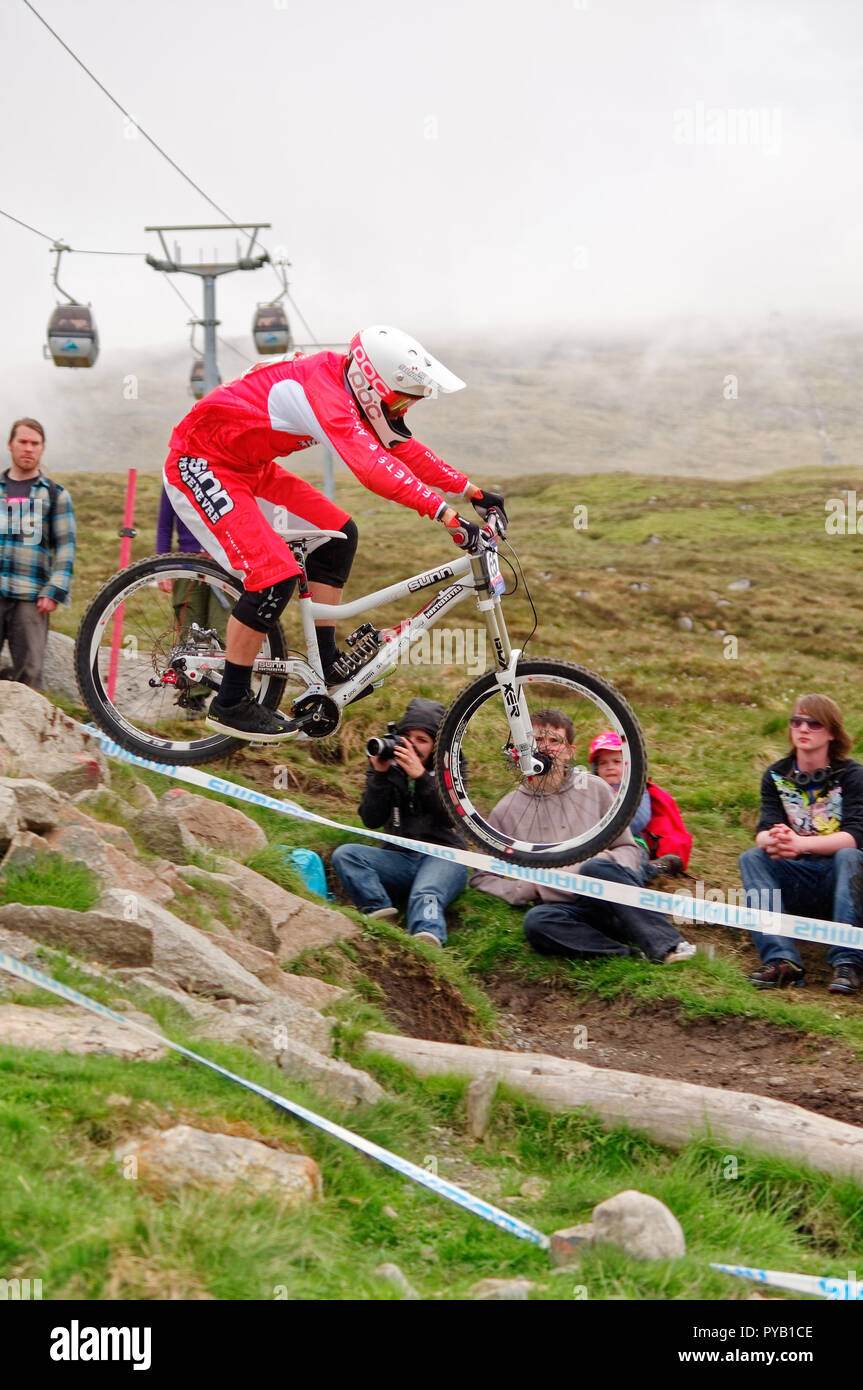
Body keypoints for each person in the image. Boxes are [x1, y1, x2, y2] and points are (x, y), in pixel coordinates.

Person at [161, 325, 507, 743]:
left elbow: (401, 448)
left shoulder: (354, 388)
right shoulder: (325, 392)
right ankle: (230, 701)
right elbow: (371, 468)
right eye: (399, 399)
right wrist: (446, 515)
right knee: (274, 575)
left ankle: (325, 664)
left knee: (339, 534)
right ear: (369, 381)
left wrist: (472, 492)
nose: (401, 409)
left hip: (251, 467)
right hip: (201, 461)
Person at [471, 709, 695, 963]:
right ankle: (631, 957)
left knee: (597, 866)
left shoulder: (595, 788)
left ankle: (670, 946)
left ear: (569, 751)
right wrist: (526, 888)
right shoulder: (506, 809)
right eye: (536, 740)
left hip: (611, 898)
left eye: (554, 741)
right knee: (536, 922)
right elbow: (482, 876)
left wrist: (605, 868)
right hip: (565, 909)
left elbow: (627, 848)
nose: (544, 748)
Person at [739, 693, 863, 994]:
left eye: (814, 723)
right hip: (799, 880)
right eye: (797, 721)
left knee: (849, 854)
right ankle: (782, 960)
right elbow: (763, 831)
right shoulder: (775, 775)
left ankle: (847, 962)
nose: (803, 729)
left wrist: (800, 844)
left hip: (846, 882)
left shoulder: (853, 775)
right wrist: (778, 839)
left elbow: (856, 836)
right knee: (752, 857)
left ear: (832, 733)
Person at [331, 698, 467, 947]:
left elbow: (452, 818)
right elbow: (371, 819)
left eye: (422, 740)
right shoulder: (387, 762)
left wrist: (422, 777)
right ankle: (381, 915)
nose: (412, 746)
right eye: (407, 737)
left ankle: (427, 939)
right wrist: (380, 776)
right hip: (399, 857)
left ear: (437, 746)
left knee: (426, 893)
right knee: (346, 855)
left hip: (445, 856)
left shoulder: (452, 767)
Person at [0, 418, 76, 689]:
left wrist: (54, 589)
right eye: (23, 442)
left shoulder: (55, 495)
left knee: (29, 676)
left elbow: (66, 548)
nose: (28, 449)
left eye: (35, 443)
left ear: (42, 448)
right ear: (11, 445)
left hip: (32, 599)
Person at [155, 486, 229, 718]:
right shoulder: (173, 479)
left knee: (222, 633)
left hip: (224, 565)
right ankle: (192, 697)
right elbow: (165, 525)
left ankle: (227, 697)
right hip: (188, 566)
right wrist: (163, 569)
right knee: (190, 632)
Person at [589, 731, 690, 881]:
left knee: (633, 863)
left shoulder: (635, 789)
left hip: (632, 840)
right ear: (596, 769)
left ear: (628, 765)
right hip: (595, 843)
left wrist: (607, 832)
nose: (610, 767)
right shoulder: (591, 790)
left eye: (616, 762)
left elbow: (640, 818)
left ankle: (652, 869)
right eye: (603, 763)